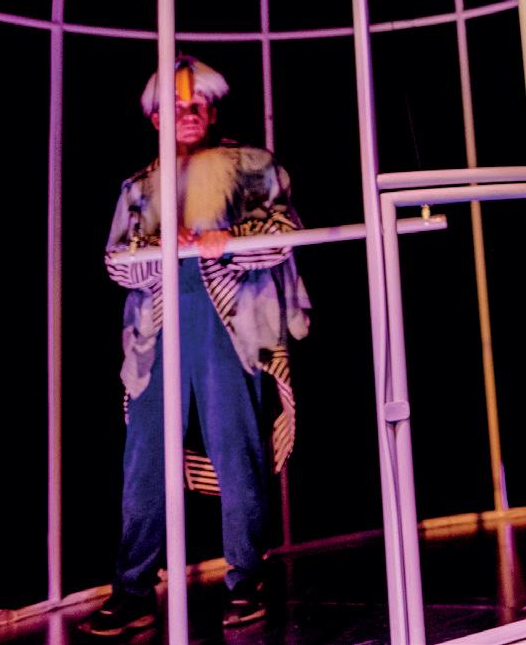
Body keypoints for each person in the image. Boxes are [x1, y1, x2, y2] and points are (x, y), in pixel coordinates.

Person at [82, 55, 311, 636]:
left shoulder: (251, 165)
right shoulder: (140, 185)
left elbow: (285, 234)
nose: (188, 114)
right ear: (156, 117)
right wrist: (163, 249)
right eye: (176, 107)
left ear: (211, 111)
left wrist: (227, 239)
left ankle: (246, 582)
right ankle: (133, 591)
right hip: (158, 332)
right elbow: (117, 262)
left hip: (229, 327)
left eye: (197, 104)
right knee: (144, 463)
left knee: (238, 454)